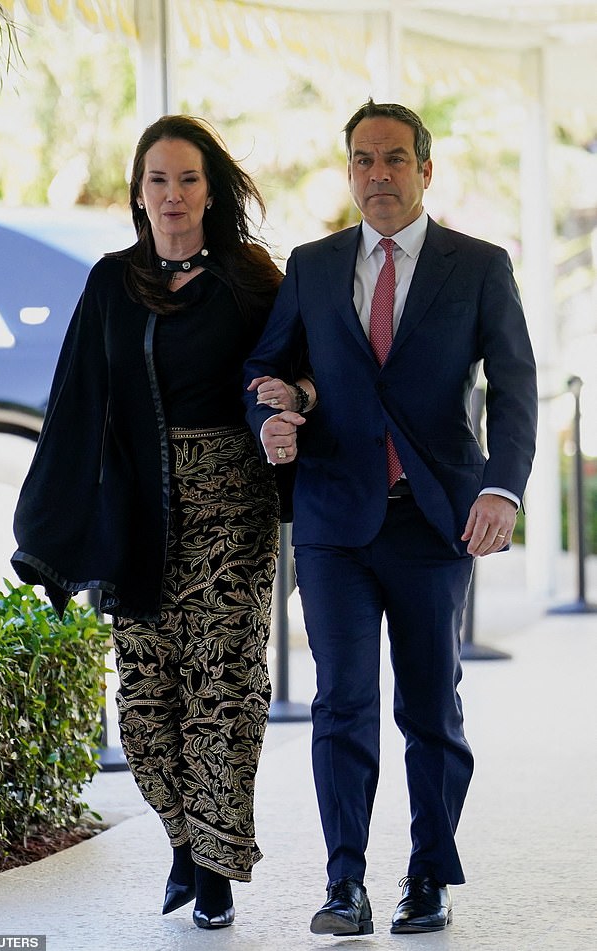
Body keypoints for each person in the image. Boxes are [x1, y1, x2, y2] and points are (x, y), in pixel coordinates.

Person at [244, 99, 537, 936]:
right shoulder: (313, 264)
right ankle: (344, 883)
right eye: (364, 161)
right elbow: (268, 363)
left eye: (395, 160)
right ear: (349, 174)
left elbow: (515, 386)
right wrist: (269, 413)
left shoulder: (479, 266)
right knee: (341, 702)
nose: (379, 175)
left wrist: (502, 487)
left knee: (430, 708)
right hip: (335, 517)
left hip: (434, 517)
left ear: (425, 171)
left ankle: (428, 875)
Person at [12, 114, 296, 930]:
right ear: (138, 192)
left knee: (223, 692)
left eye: (188, 179)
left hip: (231, 515)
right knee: (143, 706)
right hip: (139, 517)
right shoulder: (111, 282)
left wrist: (290, 405)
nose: (173, 196)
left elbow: (293, 371)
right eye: (157, 180)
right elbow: (72, 404)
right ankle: (182, 838)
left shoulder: (251, 280)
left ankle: (213, 873)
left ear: (213, 190)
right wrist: (49, 536)